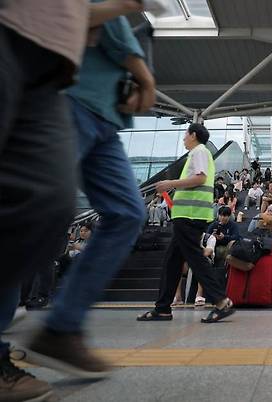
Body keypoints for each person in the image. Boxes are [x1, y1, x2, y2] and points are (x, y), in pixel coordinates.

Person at [21, 2, 157, 382]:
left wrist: (137, 77)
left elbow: (111, 31)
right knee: (34, 213)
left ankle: (61, 327)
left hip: (104, 120)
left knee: (129, 213)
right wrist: (143, 76)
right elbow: (74, 15)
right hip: (66, 102)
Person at [138, 124, 234, 324]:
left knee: (195, 258)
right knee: (172, 261)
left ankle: (221, 301)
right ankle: (163, 308)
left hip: (190, 216)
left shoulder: (199, 151)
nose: (183, 138)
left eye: (185, 134)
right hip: (188, 216)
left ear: (193, 135)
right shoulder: (199, 153)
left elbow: (200, 178)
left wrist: (169, 184)